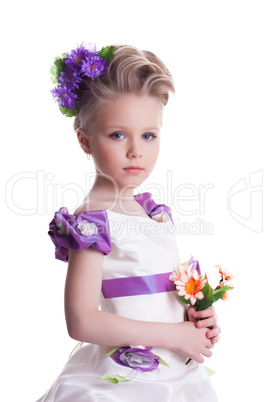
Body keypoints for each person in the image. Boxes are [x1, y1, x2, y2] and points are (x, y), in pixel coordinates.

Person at [36, 43, 220, 401]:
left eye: (148, 135)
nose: (136, 150)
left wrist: (196, 315)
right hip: (131, 377)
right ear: (84, 140)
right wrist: (173, 336)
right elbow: (82, 321)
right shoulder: (93, 223)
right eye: (118, 134)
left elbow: (161, 292)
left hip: (176, 372)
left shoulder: (152, 212)